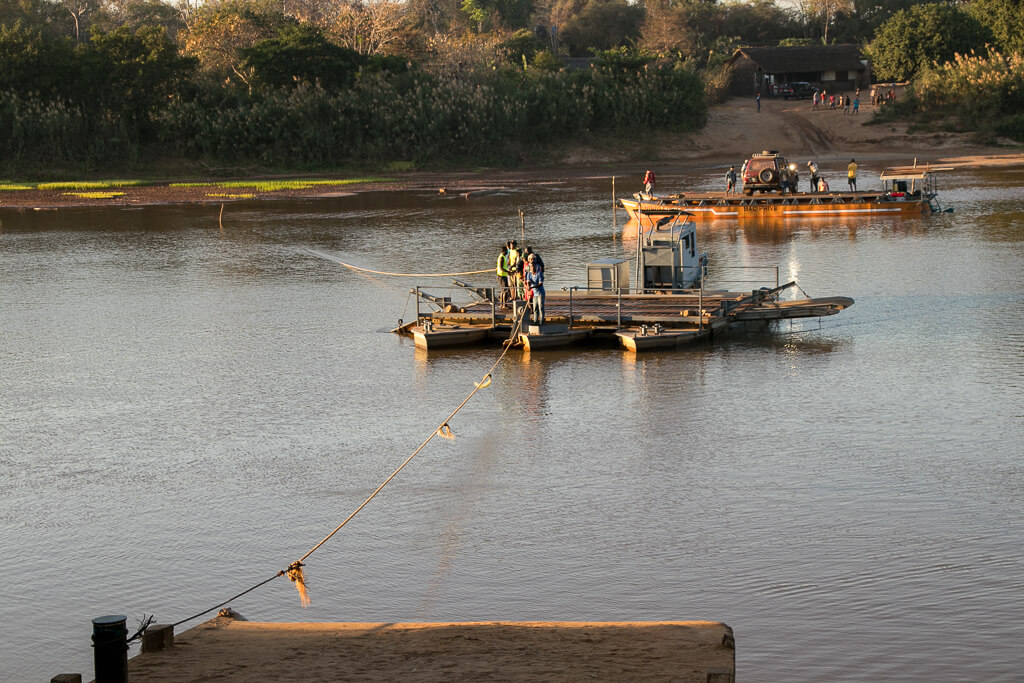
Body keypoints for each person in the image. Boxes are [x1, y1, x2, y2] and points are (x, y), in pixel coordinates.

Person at [525, 254, 545, 325]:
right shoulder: (529, 273)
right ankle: (535, 321)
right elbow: (529, 281)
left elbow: (540, 284)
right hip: (535, 293)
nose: (532, 269)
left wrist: (532, 287)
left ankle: (542, 320)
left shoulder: (539, 273)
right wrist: (528, 286)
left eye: (533, 268)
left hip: (540, 292)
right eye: (531, 268)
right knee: (535, 308)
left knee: (540, 306)